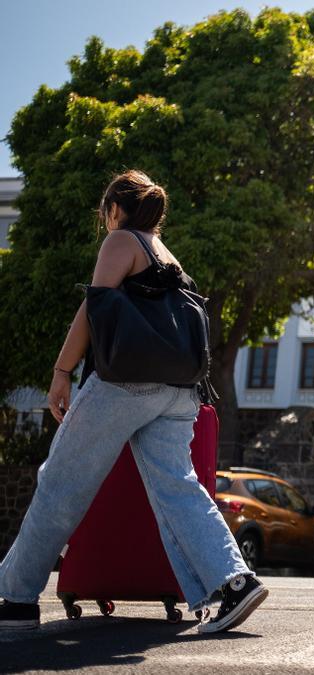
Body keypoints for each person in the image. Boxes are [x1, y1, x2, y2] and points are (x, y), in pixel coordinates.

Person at [0, 170, 266, 634]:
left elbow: (93, 309)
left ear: (115, 209)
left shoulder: (122, 242)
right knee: (179, 488)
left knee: (60, 483)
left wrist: (62, 373)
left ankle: (17, 599)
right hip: (178, 392)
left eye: (105, 214)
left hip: (126, 385)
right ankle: (233, 582)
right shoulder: (167, 253)